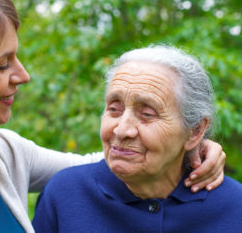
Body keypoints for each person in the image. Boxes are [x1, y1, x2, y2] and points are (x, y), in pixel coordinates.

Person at [0, 0, 225, 232]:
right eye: (3, 64)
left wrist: (190, 142)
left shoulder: (2, 154)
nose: (23, 75)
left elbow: (113, 159)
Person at [32, 45, 242, 233]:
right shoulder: (65, 194)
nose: (122, 130)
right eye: (114, 109)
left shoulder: (234, 205)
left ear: (195, 131)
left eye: (147, 114)